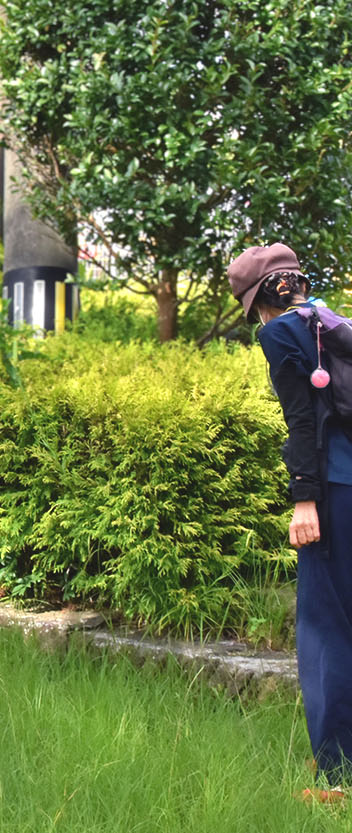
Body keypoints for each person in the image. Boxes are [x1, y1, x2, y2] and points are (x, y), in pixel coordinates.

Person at [229, 243, 352, 803]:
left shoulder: (279, 333)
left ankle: (337, 777)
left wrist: (304, 499)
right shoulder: (334, 322)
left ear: (258, 300)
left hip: (334, 491)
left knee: (325, 629)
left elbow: (301, 421)